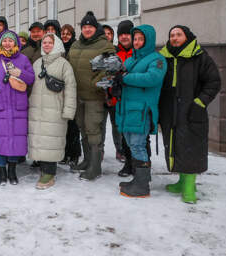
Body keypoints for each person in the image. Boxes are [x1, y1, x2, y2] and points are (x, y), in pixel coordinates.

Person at [158, 25, 221, 204]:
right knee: (174, 145)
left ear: (187, 37)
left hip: (192, 112)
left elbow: (214, 82)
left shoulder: (200, 57)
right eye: (172, 35)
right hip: (171, 112)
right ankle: (181, 181)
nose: (175, 38)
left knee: (191, 147)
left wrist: (200, 102)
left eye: (179, 35)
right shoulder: (165, 57)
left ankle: (189, 187)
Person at [115, 25, 167, 198]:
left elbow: (152, 78)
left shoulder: (157, 60)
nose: (136, 42)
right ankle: (139, 179)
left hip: (142, 110)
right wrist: (115, 81)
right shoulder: (130, 60)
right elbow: (121, 74)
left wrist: (125, 78)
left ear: (148, 40)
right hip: (128, 108)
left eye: (140, 39)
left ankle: (142, 186)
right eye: (135, 39)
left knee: (138, 145)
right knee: (131, 144)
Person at [0, 30, 35, 185]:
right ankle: (1, 171)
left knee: (16, 139)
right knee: (1, 139)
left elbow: (31, 78)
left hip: (18, 106)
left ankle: (12, 170)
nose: (8, 43)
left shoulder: (23, 59)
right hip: (0, 105)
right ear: (0, 43)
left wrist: (20, 73)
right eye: (5, 41)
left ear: (16, 43)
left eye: (11, 41)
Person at [67, 11, 116, 180]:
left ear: (96, 28)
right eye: (84, 26)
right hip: (77, 95)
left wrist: (96, 82)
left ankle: (95, 167)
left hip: (94, 96)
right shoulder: (75, 45)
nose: (87, 29)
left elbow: (111, 68)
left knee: (93, 130)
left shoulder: (105, 45)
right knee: (83, 128)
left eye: (90, 27)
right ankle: (87, 161)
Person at [28, 34, 77, 189]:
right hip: (37, 109)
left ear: (57, 45)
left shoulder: (64, 64)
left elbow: (70, 88)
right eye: (45, 42)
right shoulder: (37, 63)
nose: (47, 45)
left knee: (51, 141)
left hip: (55, 110)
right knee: (41, 140)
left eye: (50, 42)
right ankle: (43, 167)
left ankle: (49, 173)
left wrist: (68, 111)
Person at [110, 20, 136, 175]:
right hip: (119, 100)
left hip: (134, 99)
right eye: (121, 34)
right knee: (124, 133)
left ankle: (140, 164)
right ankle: (128, 163)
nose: (124, 37)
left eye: (127, 34)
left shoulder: (137, 52)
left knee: (138, 135)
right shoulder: (114, 53)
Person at [60, 23, 80, 166]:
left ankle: (75, 154)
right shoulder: (59, 49)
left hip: (73, 90)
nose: (65, 36)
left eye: (68, 34)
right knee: (64, 125)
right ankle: (66, 153)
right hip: (61, 91)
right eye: (63, 33)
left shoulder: (76, 48)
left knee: (74, 126)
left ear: (72, 35)